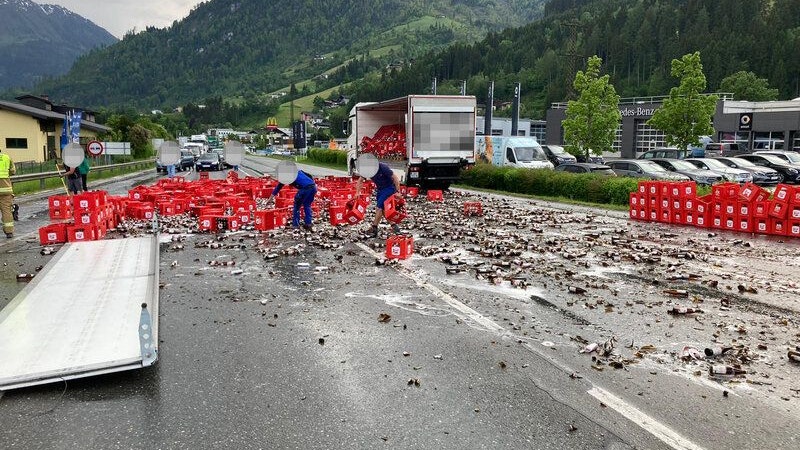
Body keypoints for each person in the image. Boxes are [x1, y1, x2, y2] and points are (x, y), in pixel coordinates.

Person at [355, 161, 402, 237]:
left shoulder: (383, 167)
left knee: (379, 208)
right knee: (383, 210)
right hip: (380, 190)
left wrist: (398, 192)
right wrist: (357, 192)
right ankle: (394, 226)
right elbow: (360, 181)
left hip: (389, 188)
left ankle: (374, 228)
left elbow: (395, 178)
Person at [0, 146, 16, 238]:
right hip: (5, 189)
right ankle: (9, 232)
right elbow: (13, 171)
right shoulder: (7, 157)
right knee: (6, 211)